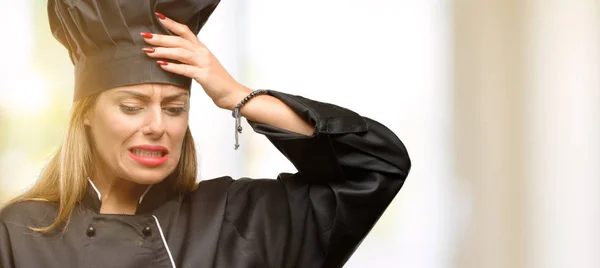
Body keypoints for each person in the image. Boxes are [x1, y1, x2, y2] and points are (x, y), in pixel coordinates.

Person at [0, 1, 411, 267]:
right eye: (131, 107)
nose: (158, 126)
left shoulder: (236, 220)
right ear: (86, 115)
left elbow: (376, 166)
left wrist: (237, 95)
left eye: (175, 108)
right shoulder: (19, 236)